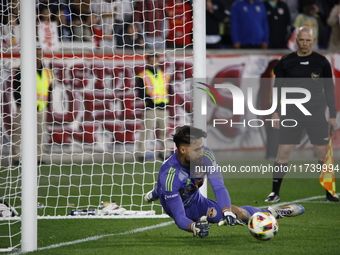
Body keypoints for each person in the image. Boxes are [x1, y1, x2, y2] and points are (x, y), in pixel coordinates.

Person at [144, 125, 305, 237]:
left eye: (202, 147)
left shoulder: (205, 155)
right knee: (169, 187)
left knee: (238, 213)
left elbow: (218, 187)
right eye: (197, 149)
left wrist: (227, 211)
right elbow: (179, 217)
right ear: (182, 149)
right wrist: (194, 227)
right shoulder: (170, 175)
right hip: (177, 204)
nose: (202, 152)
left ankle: (272, 213)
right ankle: (158, 191)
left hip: (195, 200)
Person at [264, 26, 338, 203]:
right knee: (283, 152)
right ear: (296, 40)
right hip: (292, 113)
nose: (304, 43)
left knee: (322, 153)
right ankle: (275, 192)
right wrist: (275, 111)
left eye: (308, 40)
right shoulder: (285, 62)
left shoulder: (321, 62)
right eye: (301, 40)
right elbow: (277, 89)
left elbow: (329, 90)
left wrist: (333, 115)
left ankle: (329, 192)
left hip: (316, 114)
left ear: (313, 41)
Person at [11, 46, 53, 165]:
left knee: (40, 133)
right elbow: (15, 88)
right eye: (36, 54)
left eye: (40, 54)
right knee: (19, 131)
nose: (38, 57)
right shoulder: (23, 69)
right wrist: (20, 103)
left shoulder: (47, 71)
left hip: (40, 107)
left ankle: (38, 157)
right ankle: (17, 157)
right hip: (24, 107)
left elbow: (49, 90)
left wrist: (47, 105)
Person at [136, 54, 172, 162]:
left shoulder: (165, 75)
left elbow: (169, 91)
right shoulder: (142, 75)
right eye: (151, 61)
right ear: (148, 62)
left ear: (159, 62)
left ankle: (165, 153)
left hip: (163, 108)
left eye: (155, 61)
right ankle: (141, 154)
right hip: (150, 108)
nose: (153, 63)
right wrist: (149, 100)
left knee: (164, 133)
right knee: (145, 132)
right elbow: (140, 92)